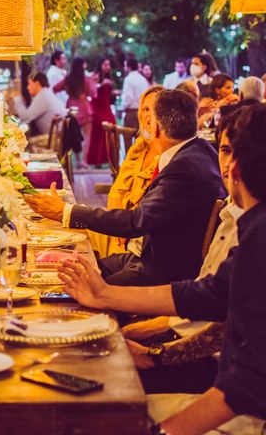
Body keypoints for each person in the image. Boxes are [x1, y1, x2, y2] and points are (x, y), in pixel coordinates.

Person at [58, 105, 266, 435]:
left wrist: (161, 432)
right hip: (216, 379)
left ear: (234, 165)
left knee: (90, 388)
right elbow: (212, 297)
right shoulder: (251, 224)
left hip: (242, 418)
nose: (222, 162)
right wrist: (155, 354)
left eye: (225, 150)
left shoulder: (259, 236)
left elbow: (247, 386)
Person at [25, 89, 226, 287]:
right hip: (140, 254)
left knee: (77, 289)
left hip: (159, 271)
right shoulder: (202, 150)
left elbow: (136, 222)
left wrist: (65, 211)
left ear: (156, 128)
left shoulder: (183, 168)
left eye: (151, 117)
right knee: (63, 269)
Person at [122, 112, 243, 396]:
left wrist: (156, 355)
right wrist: (153, 345)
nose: (231, 165)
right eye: (225, 150)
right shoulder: (232, 212)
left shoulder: (254, 230)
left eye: (245, 154)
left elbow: (218, 321)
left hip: (219, 377)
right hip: (197, 346)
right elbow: (207, 299)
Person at [87, 86, 164, 258]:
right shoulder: (138, 149)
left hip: (137, 239)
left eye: (154, 108)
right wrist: (115, 225)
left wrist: (123, 227)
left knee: (76, 228)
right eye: (145, 109)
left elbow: (148, 214)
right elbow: (116, 191)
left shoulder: (169, 157)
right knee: (71, 226)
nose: (148, 114)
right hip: (118, 227)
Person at [54, 57, 97, 164]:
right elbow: (93, 93)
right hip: (84, 108)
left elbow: (55, 88)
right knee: (87, 137)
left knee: (74, 135)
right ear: (82, 66)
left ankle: (77, 160)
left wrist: (66, 91)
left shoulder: (68, 79)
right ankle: (84, 161)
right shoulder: (86, 80)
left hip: (72, 108)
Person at [86, 58, 117, 166]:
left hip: (106, 108)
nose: (108, 67)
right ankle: (97, 161)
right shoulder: (95, 76)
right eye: (105, 64)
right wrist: (102, 84)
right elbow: (91, 92)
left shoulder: (108, 78)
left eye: (109, 65)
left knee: (112, 128)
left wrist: (114, 92)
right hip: (97, 108)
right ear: (100, 65)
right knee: (99, 133)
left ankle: (112, 160)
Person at [13, 72, 66, 136]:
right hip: (56, 136)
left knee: (25, 143)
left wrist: (17, 98)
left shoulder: (43, 96)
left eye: (29, 84)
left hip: (52, 140)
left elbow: (25, 118)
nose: (28, 87)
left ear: (37, 84)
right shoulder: (45, 93)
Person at [121, 58, 150, 130]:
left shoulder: (128, 79)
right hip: (142, 112)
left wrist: (122, 107)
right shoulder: (143, 79)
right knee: (140, 138)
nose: (124, 68)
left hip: (132, 113)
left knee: (128, 138)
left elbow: (128, 97)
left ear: (129, 67)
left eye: (125, 66)